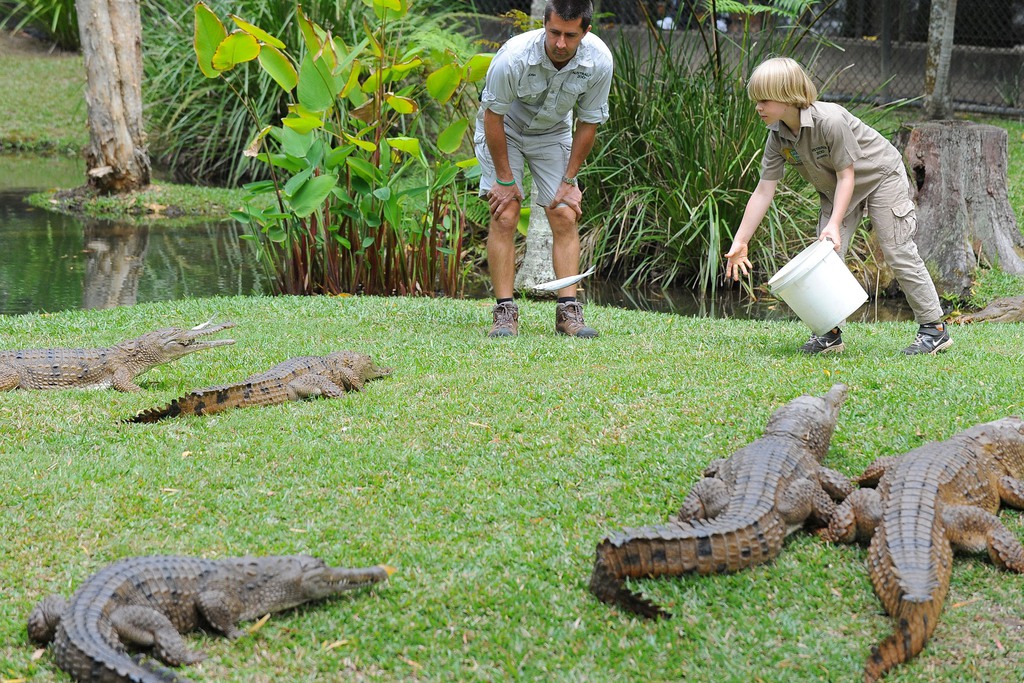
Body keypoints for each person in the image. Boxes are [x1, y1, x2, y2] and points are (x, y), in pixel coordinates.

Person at [724, 57, 953, 356]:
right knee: (825, 257)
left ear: (788, 97)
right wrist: (741, 241)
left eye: (764, 100)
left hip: (879, 176)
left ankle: (934, 329)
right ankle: (830, 334)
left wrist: (834, 223)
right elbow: (764, 190)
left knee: (896, 249)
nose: (758, 107)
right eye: (756, 100)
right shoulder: (777, 136)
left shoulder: (830, 120)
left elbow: (848, 174)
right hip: (840, 190)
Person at [474, 0, 613, 338]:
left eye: (570, 35)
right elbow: (493, 117)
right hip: (505, 128)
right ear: (544, 25)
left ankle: (569, 313)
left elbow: (589, 121)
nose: (560, 43)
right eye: (554, 33)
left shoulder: (599, 60)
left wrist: (568, 181)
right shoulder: (514, 57)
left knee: (565, 212)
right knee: (505, 212)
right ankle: (504, 312)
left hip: (552, 133)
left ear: (585, 31)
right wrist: (505, 180)